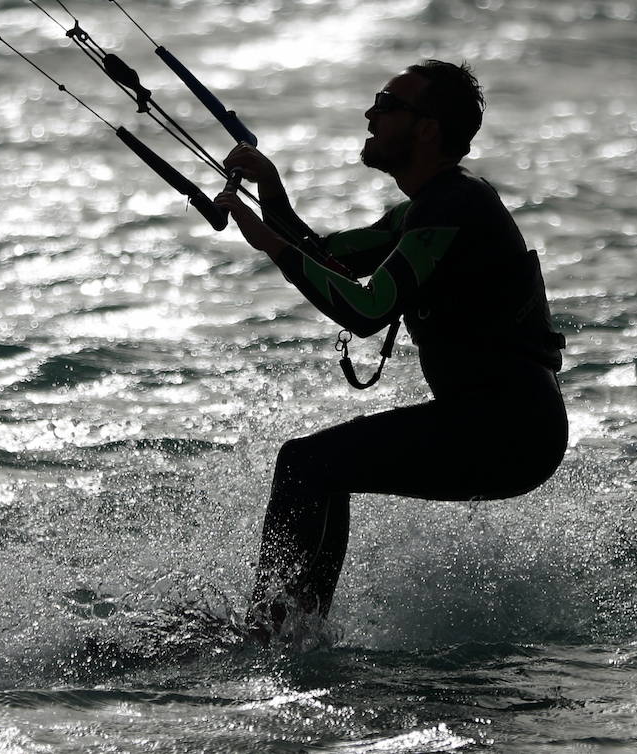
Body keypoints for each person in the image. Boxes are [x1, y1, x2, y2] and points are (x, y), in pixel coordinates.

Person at [212, 60, 568, 641]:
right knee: (318, 466)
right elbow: (331, 259)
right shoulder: (423, 210)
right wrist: (271, 194)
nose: (371, 114)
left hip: (511, 425)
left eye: (387, 103)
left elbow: (367, 308)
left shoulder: (457, 205)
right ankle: (289, 629)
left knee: (308, 463)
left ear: (426, 128)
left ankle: (275, 630)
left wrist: (270, 240)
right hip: (492, 420)